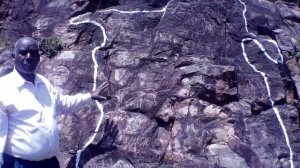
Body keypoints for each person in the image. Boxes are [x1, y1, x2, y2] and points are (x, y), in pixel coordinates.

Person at [0, 37, 108, 168]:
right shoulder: (4, 88)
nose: (29, 57)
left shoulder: (43, 82)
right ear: (13, 56)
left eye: (33, 52)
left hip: (50, 163)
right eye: (23, 52)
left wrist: (90, 96)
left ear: (39, 57)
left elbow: (63, 104)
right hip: (19, 164)